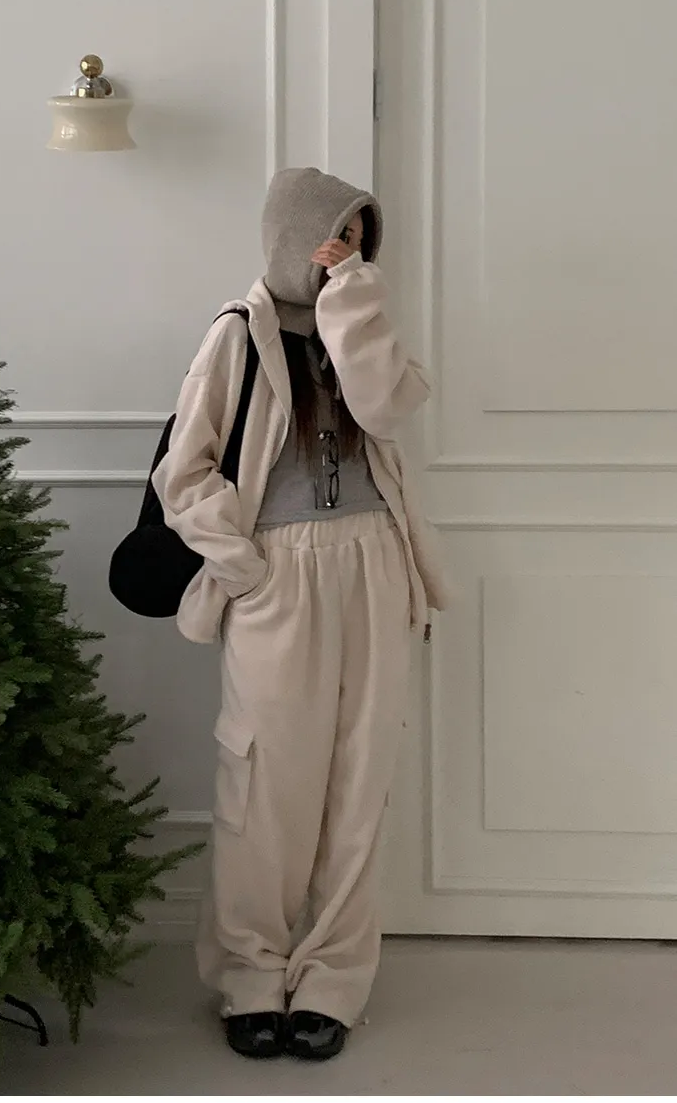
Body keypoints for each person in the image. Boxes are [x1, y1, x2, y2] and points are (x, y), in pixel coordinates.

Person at [152, 168, 449, 1061]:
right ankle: (251, 973)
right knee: (264, 785)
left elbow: (386, 408)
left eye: (359, 236)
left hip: (374, 561)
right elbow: (184, 471)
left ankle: (331, 978)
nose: (345, 248)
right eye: (334, 232)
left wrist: (351, 302)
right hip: (279, 571)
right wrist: (243, 566)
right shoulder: (236, 335)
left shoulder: (362, 322)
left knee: (361, 780)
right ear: (291, 236)